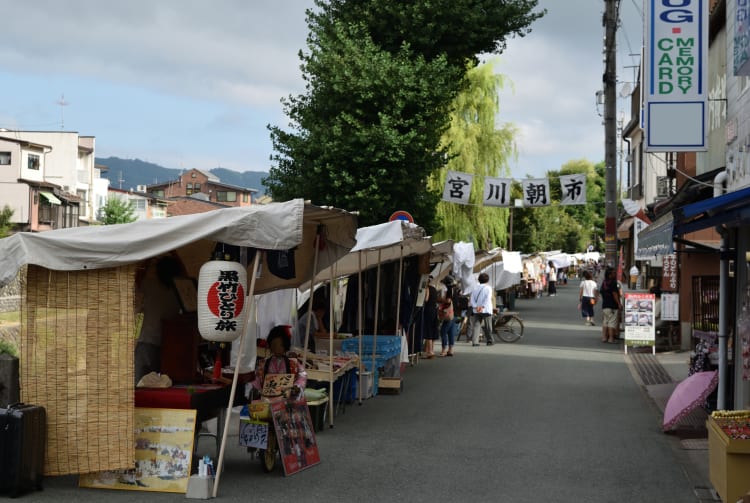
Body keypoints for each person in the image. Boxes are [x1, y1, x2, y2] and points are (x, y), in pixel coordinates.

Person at [250, 325, 307, 399]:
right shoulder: (264, 363)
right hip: (268, 399)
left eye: (280, 345)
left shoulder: (293, 363)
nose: (277, 348)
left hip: (287, 400)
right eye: (274, 345)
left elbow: (302, 375)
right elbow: (257, 378)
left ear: (285, 345)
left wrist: (297, 386)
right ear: (270, 345)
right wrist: (257, 388)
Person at [469, 273, 494, 346]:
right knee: (488, 325)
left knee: (476, 325)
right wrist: (482, 307)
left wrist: (476, 306)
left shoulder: (475, 288)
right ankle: (489, 340)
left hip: (476, 310)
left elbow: (472, 299)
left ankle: (475, 342)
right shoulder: (488, 288)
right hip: (486, 309)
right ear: (487, 280)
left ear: (479, 280)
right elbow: (487, 299)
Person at [599, 268, 622, 343]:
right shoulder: (613, 283)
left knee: (605, 322)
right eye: (613, 273)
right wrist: (619, 303)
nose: (615, 274)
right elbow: (614, 294)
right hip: (612, 305)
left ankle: (604, 337)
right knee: (612, 322)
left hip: (605, 305)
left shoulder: (604, 283)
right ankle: (611, 338)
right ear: (610, 275)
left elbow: (601, 292)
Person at [420, 277, 439, 358]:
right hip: (434, 310)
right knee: (433, 329)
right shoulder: (434, 289)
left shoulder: (427, 288)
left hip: (428, 310)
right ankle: (430, 350)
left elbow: (426, 299)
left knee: (428, 330)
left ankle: (430, 351)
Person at [438, 279, 457, 356]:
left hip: (448, 313)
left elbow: (448, 301)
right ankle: (450, 349)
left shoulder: (449, 291)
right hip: (453, 313)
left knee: (443, 331)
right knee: (450, 332)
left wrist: (440, 299)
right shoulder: (455, 291)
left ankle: (444, 349)